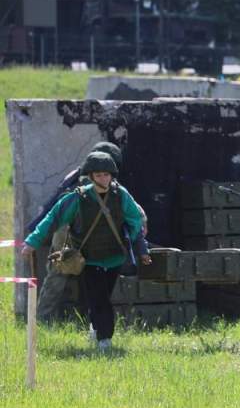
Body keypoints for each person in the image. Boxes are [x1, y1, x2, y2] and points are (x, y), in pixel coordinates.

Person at [21, 151, 148, 352]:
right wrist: (32, 242)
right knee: (100, 299)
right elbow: (52, 219)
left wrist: (137, 246)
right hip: (89, 259)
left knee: (102, 297)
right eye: (98, 175)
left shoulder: (121, 195)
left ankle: (95, 329)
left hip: (115, 257)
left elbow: (135, 221)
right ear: (91, 176)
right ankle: (104, 340)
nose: (103, 178)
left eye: (107, 175)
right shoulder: (78, 198)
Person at [26, 141, 125, 321]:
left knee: (70, 275)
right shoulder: (89, 181)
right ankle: (43, 320)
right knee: (62, 272)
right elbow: (58, 206)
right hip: (71, 230)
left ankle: (46, 319)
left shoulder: (82, 175)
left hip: (83, 232)